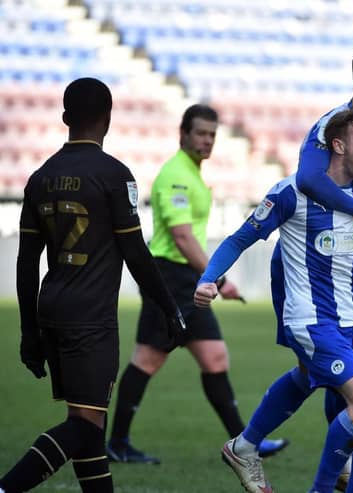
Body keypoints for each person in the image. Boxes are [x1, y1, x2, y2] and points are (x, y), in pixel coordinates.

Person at [195, 109, 353, 493]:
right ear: (337, 145)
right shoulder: (290, 193)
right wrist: (208, 279)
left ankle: (244, 446)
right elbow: (237, 239)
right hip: (312, 322)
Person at [233, 49, 353, 491]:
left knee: (332, 378)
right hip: (299, 264)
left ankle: (252, 445)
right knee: (323, 369)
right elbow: (309, 180)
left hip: (343, 256)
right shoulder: (326, 128)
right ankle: (306, 462)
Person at [0, 77, 185, 493]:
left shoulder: (39, 177)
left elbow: (27, 263)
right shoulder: (114, 175)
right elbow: (136, 253)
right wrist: (169, 307)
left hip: (52, 312)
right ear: (108, 119)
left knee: (88, 425)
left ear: (65, 118)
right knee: (83, 429)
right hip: (92, 321)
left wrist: (30, 332)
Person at [105, 104, 287, 464]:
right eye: (201, 133)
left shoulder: (191, 173)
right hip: (170, 277)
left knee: (214, 357)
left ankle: (245, 444)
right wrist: (218, 277)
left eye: (212, 135)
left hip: (186, 278)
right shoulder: (176, 175)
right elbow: (183, 237)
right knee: (147, 359)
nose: (207, 140)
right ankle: (118, 443)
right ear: (183, 134)